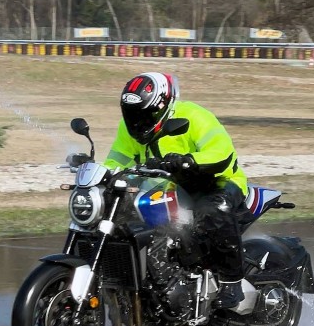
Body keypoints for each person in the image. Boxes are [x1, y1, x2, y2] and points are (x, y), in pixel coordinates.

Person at [103, 72, 248, 308]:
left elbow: (222, 153)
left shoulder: (195, 117)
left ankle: (232, 282)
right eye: (132, 114)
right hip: (167, 186)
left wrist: (189, 160)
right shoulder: (129, 129)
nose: (138, 121)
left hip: (214, 181)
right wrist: (102, 173)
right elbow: (117, 160)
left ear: (164, 107)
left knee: (214, 209)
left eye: (145, 114)